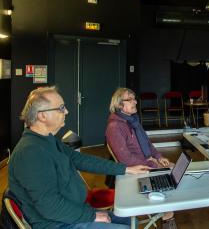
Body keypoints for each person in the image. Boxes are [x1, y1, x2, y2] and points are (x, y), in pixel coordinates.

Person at [8, 87, 150, 229]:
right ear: (42, 116)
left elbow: (81, 160)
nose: (66, 111)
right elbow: (50, 207)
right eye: (61, 108)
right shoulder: (31, 152)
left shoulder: (48, 140)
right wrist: (92, 216)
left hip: (74, 211)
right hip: (58, 223)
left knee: (132, 222)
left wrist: (125, 169)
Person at [105, 88, 176, 229]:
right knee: (172, 173)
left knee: (173, 168)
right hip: (134, 171)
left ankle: (165, 210)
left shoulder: (132, 121)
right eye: (130, 99)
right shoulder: (115, 127)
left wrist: (159, 157)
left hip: (145, 164)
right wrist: (152, 163)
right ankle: (167, 215)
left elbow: (148, 143)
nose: (135, 101)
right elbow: (126, 159)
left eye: (134, 98)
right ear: (120, 105)